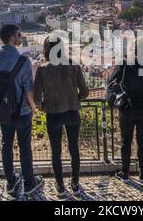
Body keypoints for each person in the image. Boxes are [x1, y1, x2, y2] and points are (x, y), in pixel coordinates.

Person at [0, 25, 44, 196]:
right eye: (19, 34)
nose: (21, 37)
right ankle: (29, 183)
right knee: (25, 147)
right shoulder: (23, 61)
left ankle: (10, 182)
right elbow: (28, 89)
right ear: (11, 38)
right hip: (22, 112)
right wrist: (33, 108)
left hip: (3, 113)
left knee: (6, 146)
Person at [34, 37, 89, 197]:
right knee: (74, 149)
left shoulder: (42, 70)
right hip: (72, 113)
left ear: (46, 50)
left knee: (56, 152)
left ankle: (60, 186)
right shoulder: (74, 66)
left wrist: (44, 107)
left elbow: (37, 100)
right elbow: (85, 93)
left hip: (54, 115)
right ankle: (76, 184)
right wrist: (74, 98)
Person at [107, 39, 143, 183]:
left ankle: (125, 173)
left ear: (134, 49)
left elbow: (110, 82)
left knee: (126, 141)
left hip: (127, 109)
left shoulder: (124, 64)